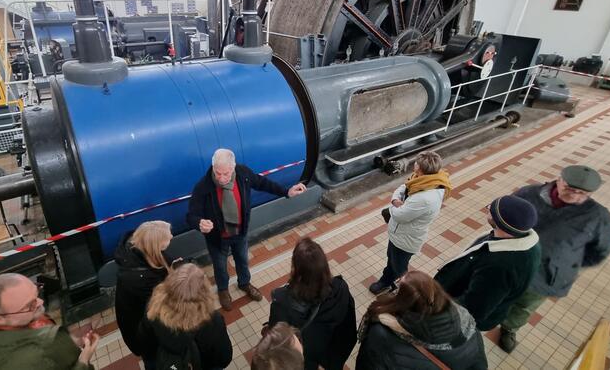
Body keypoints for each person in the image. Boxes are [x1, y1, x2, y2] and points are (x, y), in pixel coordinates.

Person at [498, 165, 610, 352]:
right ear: (559, 180)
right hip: (508, 261)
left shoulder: (598, 216)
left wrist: (565, 262)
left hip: (546, 275)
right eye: (569, 188)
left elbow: (600, 250)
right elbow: (503, 216)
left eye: (582, 193)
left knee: (524, 306)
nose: (574, 195)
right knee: (494, 291)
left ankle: (509, 328)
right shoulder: (529, 193)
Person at [186, 148, 306, 310]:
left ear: (233, 168)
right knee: (220, 267)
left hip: (240, 233)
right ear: (213, 167)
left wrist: (286, 192)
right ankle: (223, 290)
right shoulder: (203, 187)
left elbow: (263, 183)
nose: (221, 178)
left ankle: (244, 283)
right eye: (217, 173)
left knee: (242, 260)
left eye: (226, 173)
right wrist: (198, 222)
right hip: (217, 238)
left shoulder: (243, 174)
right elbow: (191, 215)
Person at [434, 195, 541, 331]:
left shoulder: (500, 266)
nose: (487, 208)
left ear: (499, 222)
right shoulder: (522, 239)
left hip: (455, 315)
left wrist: (434, 307)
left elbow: (473, 309)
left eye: (491, 209)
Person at [356, 271, 487, 370]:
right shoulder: (469, 326)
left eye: (398, 288)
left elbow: (367, 364)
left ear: (403, 300)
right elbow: (480, 364)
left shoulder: (382, 333)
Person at [0, 273, 98, 370]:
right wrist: (84, 359)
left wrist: (69, 340)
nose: (41, 302)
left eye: (37, 292)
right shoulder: (43, 350)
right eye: (30, 305)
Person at [267, 237, 356, 370]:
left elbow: (278, 343)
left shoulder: (282, 303)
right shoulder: (340, 289)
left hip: (304, 361)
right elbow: (348, 331)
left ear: (296, 270)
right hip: (330, 355)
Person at [370, 151, 452, 295]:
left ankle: (404, 292)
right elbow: (403, 188)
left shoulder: (425, 197)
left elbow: (400, 215)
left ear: (419, 168)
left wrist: (394, 204)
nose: (414, 164)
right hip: (399, 234)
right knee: (392, 259)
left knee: (400, 267)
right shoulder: (424, 180)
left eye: (416, 163)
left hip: (406, 239)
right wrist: (397, 201)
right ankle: (386, 280)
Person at [139, 263, 232, 369]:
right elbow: (224, 359)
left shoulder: (153, 307)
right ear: (204, 294)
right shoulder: (212, 321)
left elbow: (144, 344)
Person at [115, 220, 174, 365]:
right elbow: (164, 308)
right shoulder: (142, 281)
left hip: (142, 329)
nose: (172, 237)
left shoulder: (135, 253)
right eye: (166, 239)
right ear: (154, 248)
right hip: (148, 339)